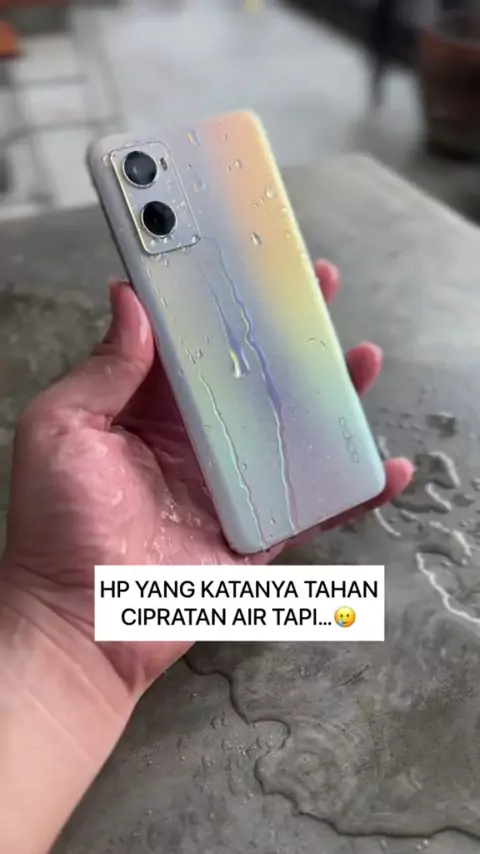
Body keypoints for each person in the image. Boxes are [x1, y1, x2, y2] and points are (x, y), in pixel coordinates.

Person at [0, 260, 412, 854]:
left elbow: (105, 619)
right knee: (355, 609)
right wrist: (73, 624)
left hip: (111, 621)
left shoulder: (105, 613)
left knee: (354, 608)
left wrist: (71, 626)